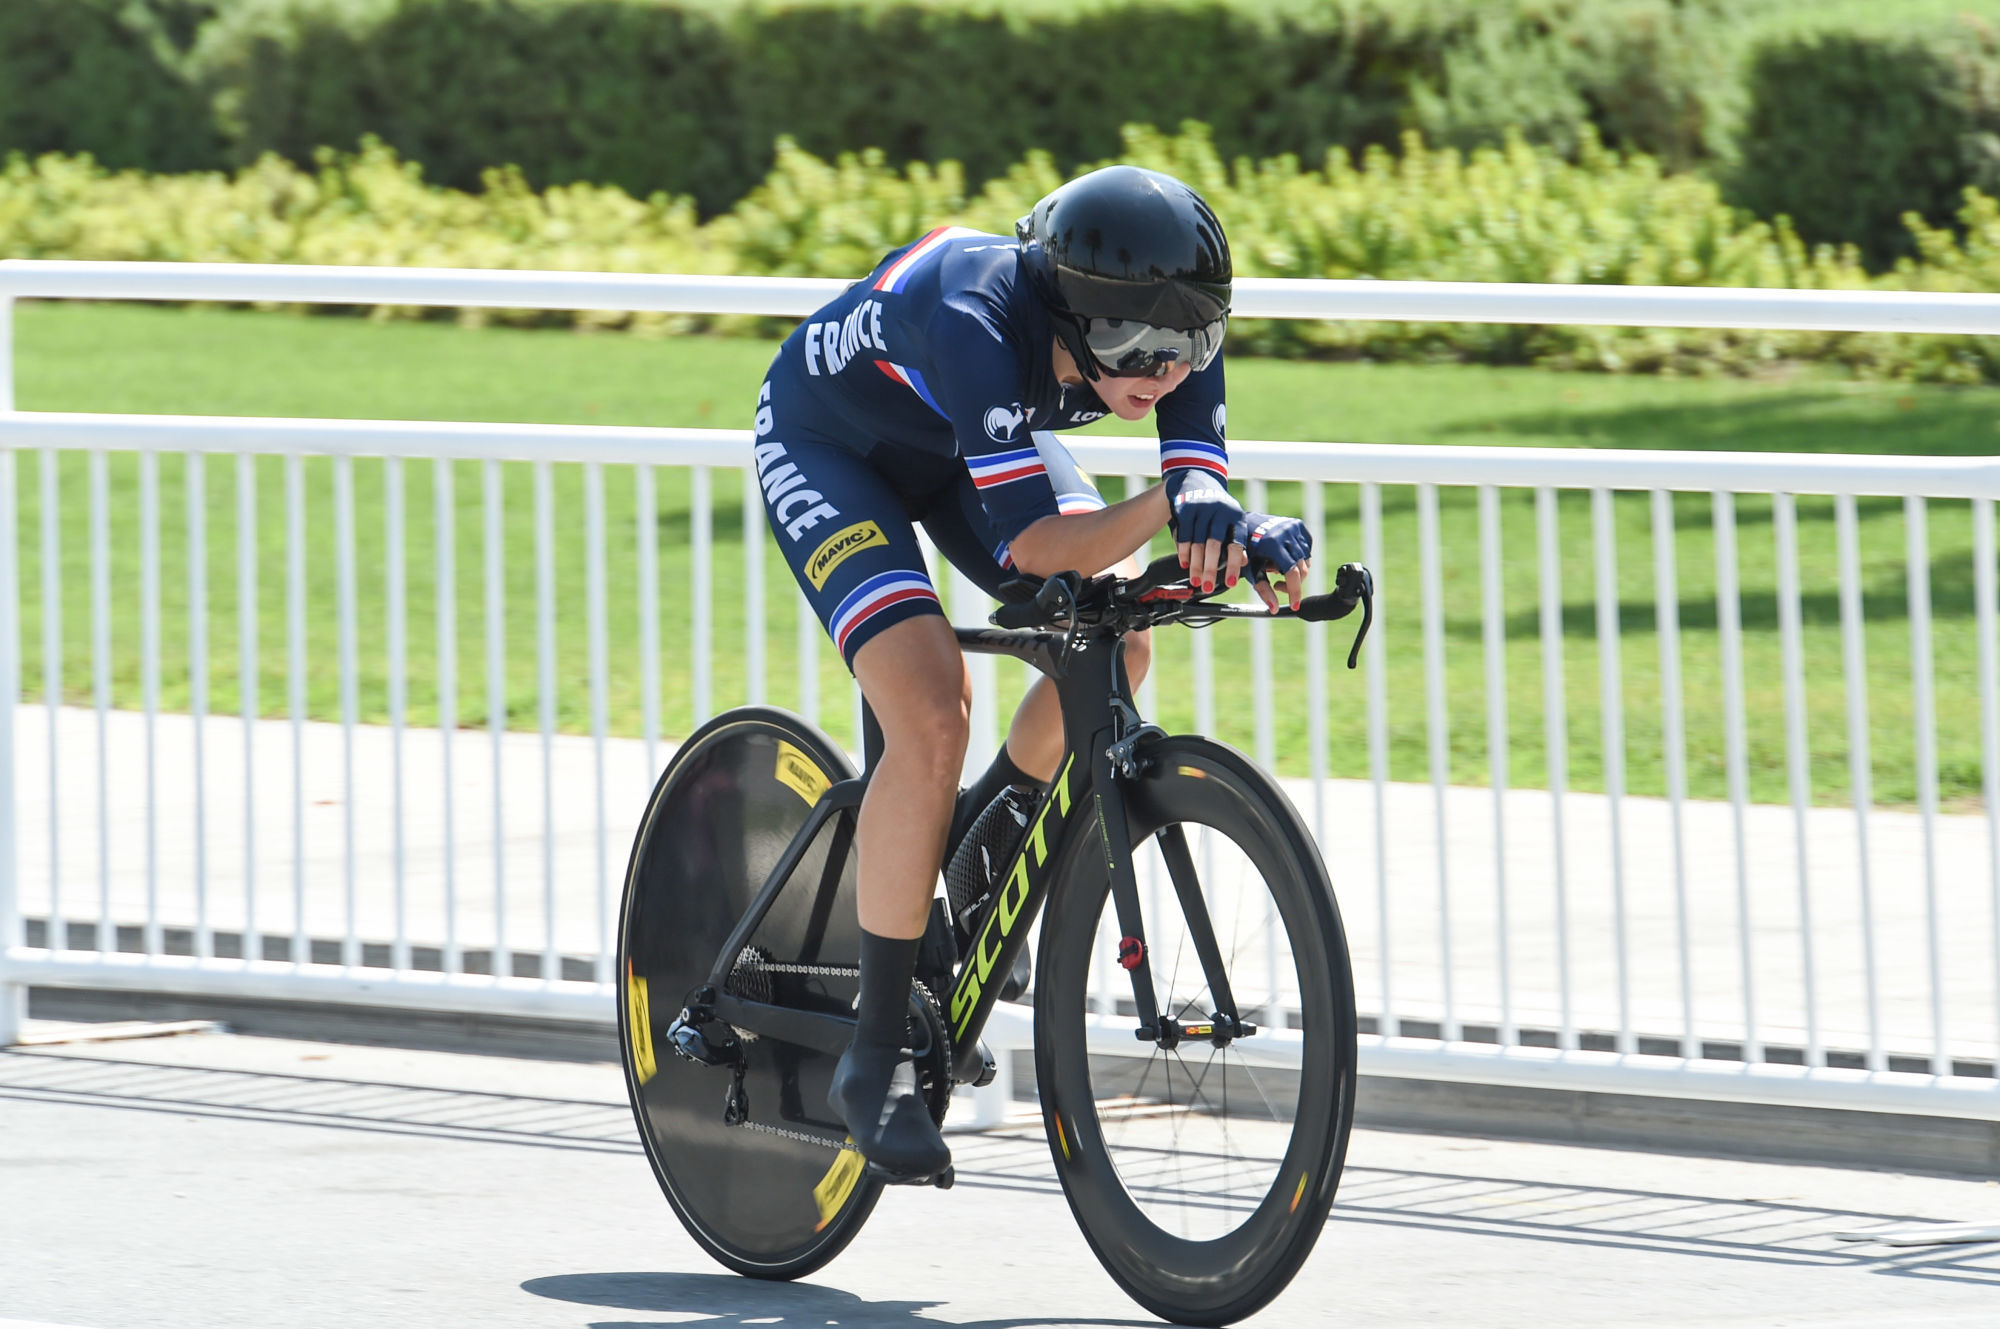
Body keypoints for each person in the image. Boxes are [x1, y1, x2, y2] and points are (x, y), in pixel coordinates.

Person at [752, 164, 1315, 1181]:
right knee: (930, 712)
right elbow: (1037, 547)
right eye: (1131, 348)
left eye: (1188, 348)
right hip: (832, 445)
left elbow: (1193, 482)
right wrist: (1170, 507)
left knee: (1121, 643)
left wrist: (1236, 534)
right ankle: (871, 1057)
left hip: (965, 443)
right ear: (1063, 309)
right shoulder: (976, 318)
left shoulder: (1177, 337)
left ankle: (979, 845)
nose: (1163, 372)